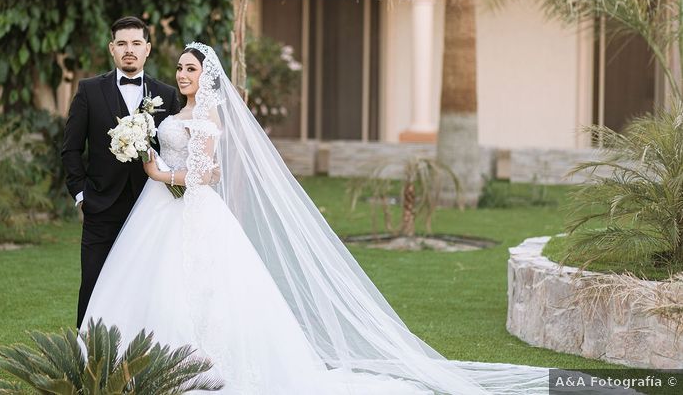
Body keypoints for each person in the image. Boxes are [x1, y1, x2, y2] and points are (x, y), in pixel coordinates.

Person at [80, 42, 552, 394]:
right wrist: (144, 147)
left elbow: (206, 173)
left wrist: (157, 170)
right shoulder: (169, 111)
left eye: (191, 69)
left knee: (199, 282)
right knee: (153, 280)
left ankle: (201, 359)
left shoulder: (206, 119)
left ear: (207, 76)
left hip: (191, 207)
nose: (183, 74)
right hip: (161, 212)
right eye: (180, 68)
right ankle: (136, 359)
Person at [61, 16, 181, 329]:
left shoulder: (167, 96)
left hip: (151, 209)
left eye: (136, 43)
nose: (129, 50)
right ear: (112, 49)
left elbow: (175, 150)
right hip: (100, 206)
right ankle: (87, 359)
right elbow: (71, 149)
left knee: (147, 289)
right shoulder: (88, 91)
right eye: (122, 44)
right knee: (94, 285)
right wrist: (82, 195)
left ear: (148, 49)